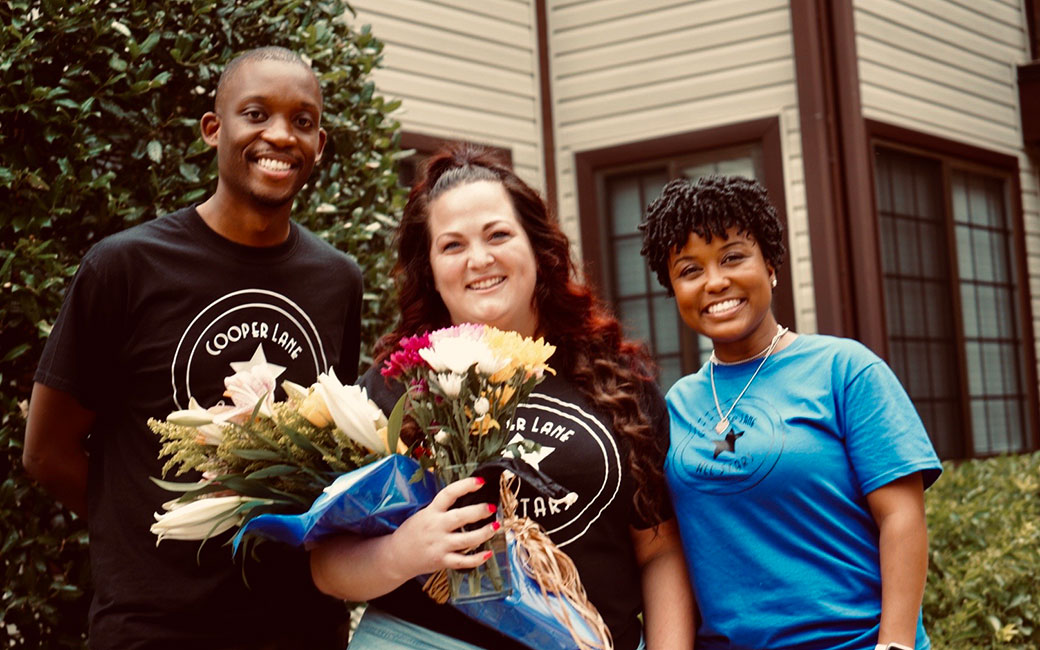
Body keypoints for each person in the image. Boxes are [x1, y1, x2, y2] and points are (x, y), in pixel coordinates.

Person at [23, 47, 361, 649]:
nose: (280, 136)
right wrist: (150, 533)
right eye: (256, 114)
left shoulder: (337, 279)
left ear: (320, 143)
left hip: (302, 627)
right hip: (156, 629)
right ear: (214, 129)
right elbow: (47, 453)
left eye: (302, 121)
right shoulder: (126, 267)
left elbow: (330, 448)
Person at [310, 145, 695, 650]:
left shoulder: (617, 384)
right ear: (429, 268)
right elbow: (325, 564)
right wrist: (403, 553)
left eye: (498, 235)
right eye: (452, 245)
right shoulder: (394, 388)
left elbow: (659, 552)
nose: (479, 259)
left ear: (539, 249)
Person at [638, 175, 943, 650]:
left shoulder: (845, 370)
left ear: (772, 265)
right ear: (673, 289)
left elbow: (902, 517)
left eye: (733, 257)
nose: (715, 282)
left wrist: (896, 645)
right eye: (689, 269)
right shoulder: (676, 404)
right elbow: (666, 551)